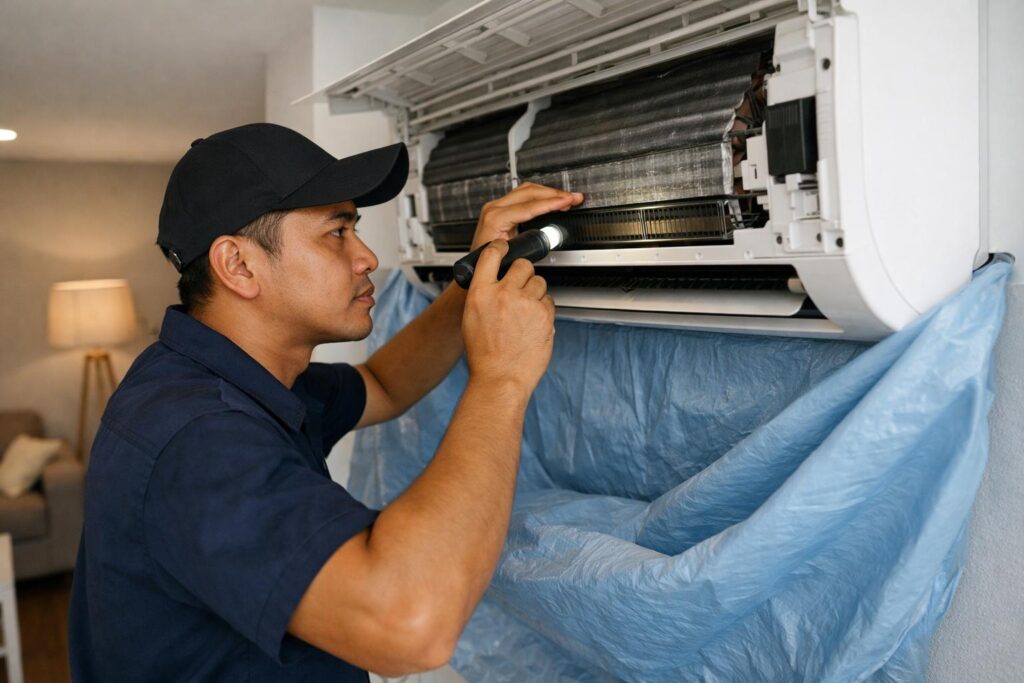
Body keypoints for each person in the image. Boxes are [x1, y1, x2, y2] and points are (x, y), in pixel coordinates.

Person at [67, 123, 584, 681]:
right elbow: (410, 624)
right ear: (238, 265)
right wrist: (502, 381)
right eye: (336, 233)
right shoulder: (197, 438)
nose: (366, 257)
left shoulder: (230, 374)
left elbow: (384, 383)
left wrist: (477, 275)